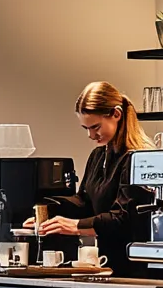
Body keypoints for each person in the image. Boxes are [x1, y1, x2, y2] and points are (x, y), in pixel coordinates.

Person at [28, 81, 154, 277]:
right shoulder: (98, 155)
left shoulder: (139, 159)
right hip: (107, 264)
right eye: (85, 128)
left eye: (95, 127)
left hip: (135, 266)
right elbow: (84, 202)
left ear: (116, 114)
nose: (90, 135)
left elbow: (124, 218)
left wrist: (76, 226)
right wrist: (48, 213)